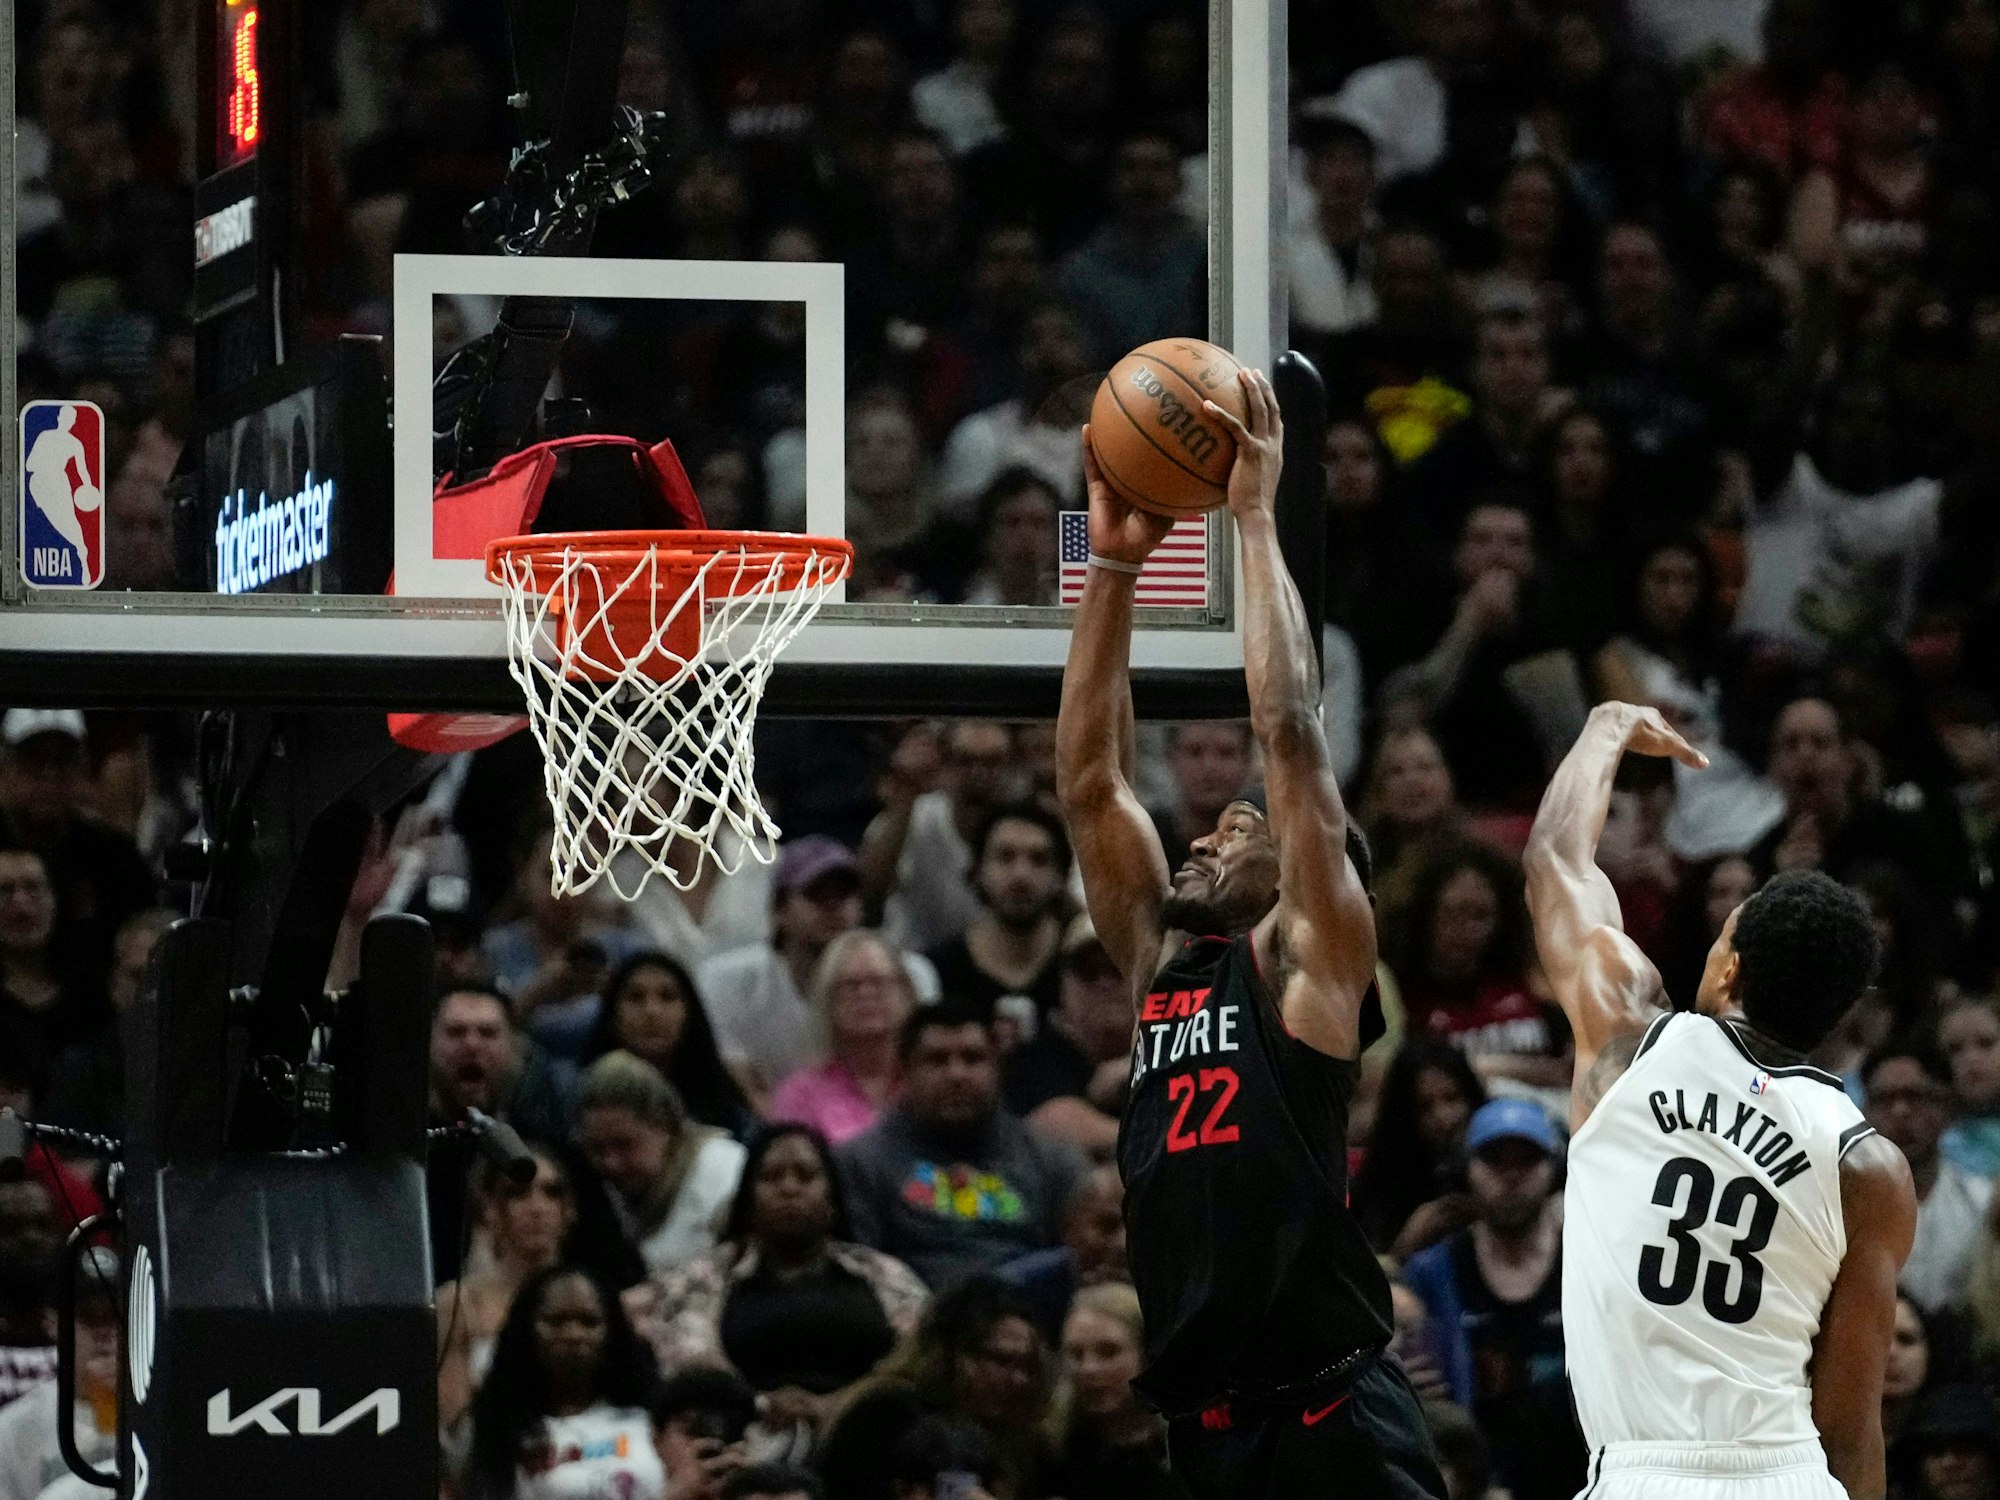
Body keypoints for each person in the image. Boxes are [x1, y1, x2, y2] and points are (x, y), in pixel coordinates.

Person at [1056, 365, 1444, 1497]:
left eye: (1242, 824)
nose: (1212, 830)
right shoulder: (1163, 960)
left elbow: (1284, 729)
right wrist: (1113, 564)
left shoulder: (1304, 963)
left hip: (1331, 1415)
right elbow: (1089, 781)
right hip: (1206, 1427)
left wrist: (1254, 514)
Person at [1523, 699, 1917, 1500]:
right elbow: (1850, 1424)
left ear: (1729, 970)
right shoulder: (1870, 1167)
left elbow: (1556, 862)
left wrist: (1603, 728)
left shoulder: (1627, 1039)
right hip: (1791, 1477)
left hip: (1643, 1474)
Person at [632, 1123, 927, 1415]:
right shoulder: (701, 1279)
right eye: (771, 1177)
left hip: (869, 1422)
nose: (789, 1188)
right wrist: (763, 1406)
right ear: (748, 1200)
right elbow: (691, 1365)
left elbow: (918, 1359)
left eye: (806, 1176)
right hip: (743, 1431)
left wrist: (836, 1407)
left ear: (832, 1198)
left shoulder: (883, 1274)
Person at [1400, 1099, 1585, 1500]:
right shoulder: (1431, 1273)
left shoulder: (1589, 1263)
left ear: (1554, 1168)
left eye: (1526, 1161)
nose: (1511, 1177)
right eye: (1495, 1161)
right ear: (1465, 1168)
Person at [837, 999, 1087, 1289]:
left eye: (972, 1058)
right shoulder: (860, 1164)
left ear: (998, 1068)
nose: (957, 1074)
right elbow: (860, 1274)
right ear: (905, 1072)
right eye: (937, 1060)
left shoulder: (1053, 1163)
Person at [700, 836, 939, 1106]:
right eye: (816, 893)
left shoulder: (909, 974)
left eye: (844, 893)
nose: (833, 905)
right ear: (778, 909)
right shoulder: (730, 983)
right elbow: (744, 1086)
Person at [816, 1277, 1052, 1500]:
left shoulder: (1019, 1434)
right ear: (949, 1354)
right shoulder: (884, 1414)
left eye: (1027, 1365)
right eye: (1000, 1361)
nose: (1019, 1379)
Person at [462, 1265, 666, 1500]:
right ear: (526, 1329)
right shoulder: (496, 1430)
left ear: (612, 1331)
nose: (574, 1334)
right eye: (555, 1321)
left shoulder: (651, 1417)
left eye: (589, 1322)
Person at [438, 1146, 580, 1440]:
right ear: (489, 1207)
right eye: (519, 1193)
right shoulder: (458, 1304)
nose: (537, 1207)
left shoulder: (598, 1299)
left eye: (552, 1193)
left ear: (570, 1210)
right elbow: (455, 1423)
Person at [576, 1052, 749, 1277]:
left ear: (665, 1127)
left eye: (624, 1145)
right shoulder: (595, 1192)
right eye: (597, 1149)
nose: (611, 1163)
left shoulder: (726, 1174)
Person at [1861, 1046, 1990, 1315]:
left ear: (1947, 1108)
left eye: (1915, 1097)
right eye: (1884, 1099)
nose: (1900, 1111)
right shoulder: (1841, 1203)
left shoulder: (1981, 1202)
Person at [924, 802, 1072, 1024]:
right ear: (977, 871)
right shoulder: (937, 971)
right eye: (1005, 857)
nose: (1021, 875)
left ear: (1061, 877)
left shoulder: (1085, 965)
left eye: (1039, 859)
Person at [1002, 914, 1132, 1160]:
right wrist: (1159, 1143)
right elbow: (1051, 1123)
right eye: (1089, 972)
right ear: (1064, 987)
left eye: (1118, 967)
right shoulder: (1037, 1056)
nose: (1104, 983)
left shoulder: (1173, 1041)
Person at [769, 931, 917, 1145]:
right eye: (850, 986)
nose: (866, 994)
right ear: (828, 1001)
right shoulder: (799, 1094)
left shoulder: (930, 1082)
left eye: (878, 982)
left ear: (905, 992)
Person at [584, 952, 755, 1136]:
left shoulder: (723, 1104)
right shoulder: (583, 1096)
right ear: (613, 1016)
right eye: (635, 997)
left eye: (667, 997)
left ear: (690, 1014)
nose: (652, 1011)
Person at [1045, 1281, 1189, 1500]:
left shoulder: (1190, 1441)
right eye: (1076, 1354)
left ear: (1146, 1355)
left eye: (1108, 1352)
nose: (1089, 1369)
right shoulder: (1050, 1448)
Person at [1350, 1037, 1487, 1257]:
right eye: (1425, 1107)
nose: (1443, 1118)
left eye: (1452, 1098)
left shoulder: (1503, 1161)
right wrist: (1408, 1242)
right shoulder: (1383, 1184)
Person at [0, 1246, 116, 1500]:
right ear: (53, 1322)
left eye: (116, 1316)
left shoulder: (163, 1418)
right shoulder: (14, 1429)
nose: (105, 1333)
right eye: (89, 1318)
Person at [996, 1163, 1129, 1339]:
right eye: (1107, 1226)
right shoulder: (1015, 1292)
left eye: (1138, 1227)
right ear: (1069, 1229)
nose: (1123, 1243)